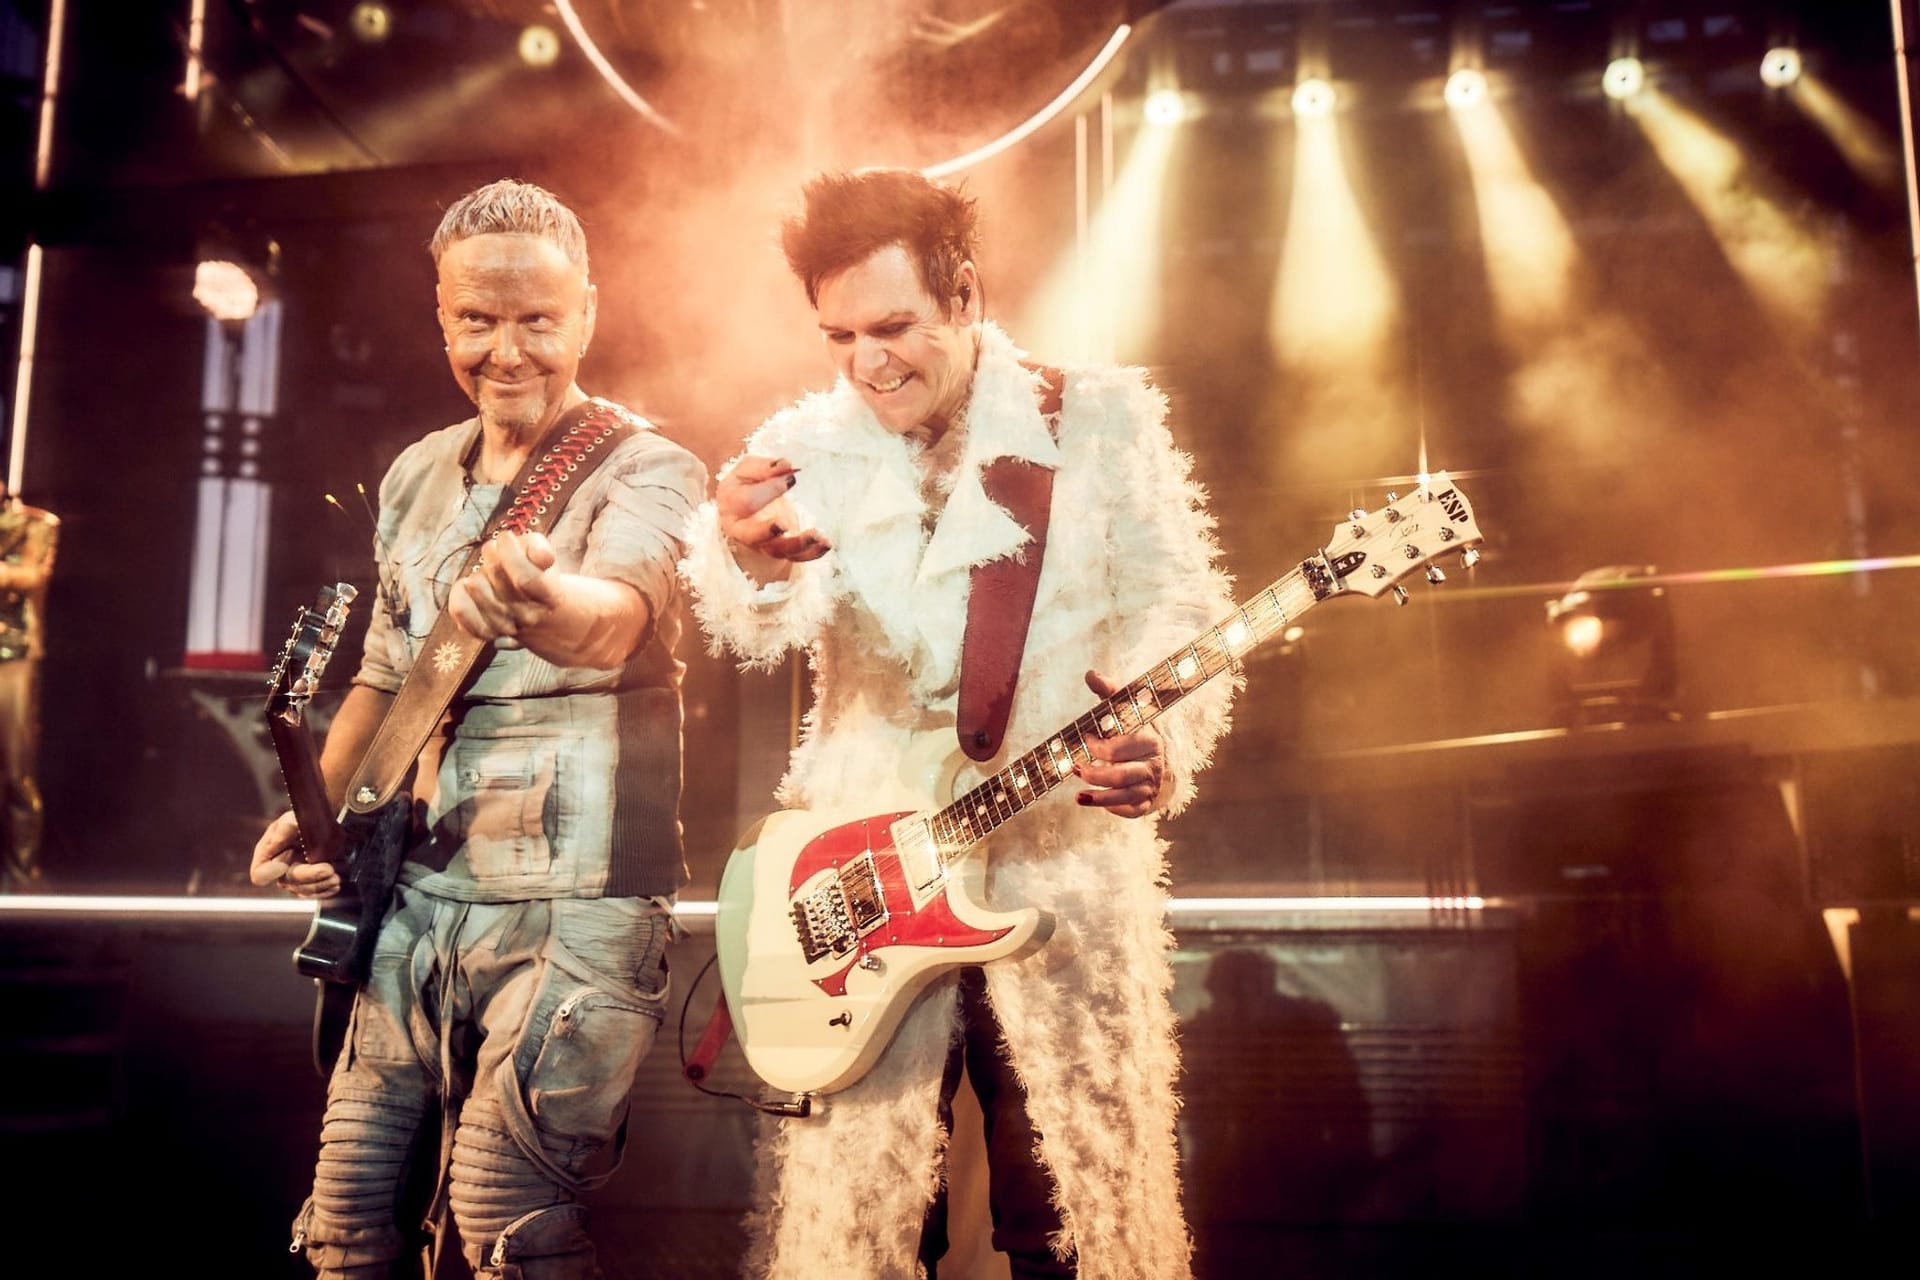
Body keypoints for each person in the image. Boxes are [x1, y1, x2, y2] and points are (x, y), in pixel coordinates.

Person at [679, 168, 1239, 1280]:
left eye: (893, 326)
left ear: (966, 293)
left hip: (1059, 866)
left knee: (1076, 1215)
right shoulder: (807, 443)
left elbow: (1182, 606)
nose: (868, 362)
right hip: (868, 881)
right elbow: (755, 622)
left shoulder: (1098, 417)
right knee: (864, 1232)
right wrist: (742, 555)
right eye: (839, 334)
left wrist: (1159, 744)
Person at [249, 178, 708, 1280]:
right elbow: (389, 670)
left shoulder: (652, 468)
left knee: (510, 1221)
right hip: (415, 897)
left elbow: (613, 624)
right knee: (345, 1221)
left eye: (538, 320)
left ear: (587, 313)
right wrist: (323, 809)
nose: (508, 349)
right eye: (478, 320)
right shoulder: (413, 474)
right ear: (441, 316)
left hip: (579, 904)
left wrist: (537, 602)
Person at [0, 483, 57, 891]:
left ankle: (21, 874)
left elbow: (31, 575)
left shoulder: (34, 524)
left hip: (13, 654)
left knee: (17, 767)